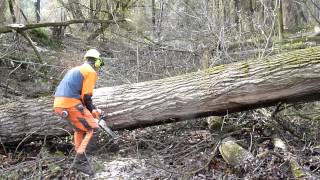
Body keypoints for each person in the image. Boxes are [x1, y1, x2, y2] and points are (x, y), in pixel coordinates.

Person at [53, 49, 104, 175]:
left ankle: (80, 157)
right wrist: (93, 111)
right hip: (70, 104)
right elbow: (86, 97)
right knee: (93, 128)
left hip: (59, 104)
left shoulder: (76, 69)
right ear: (97, 62)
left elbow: (82, 97)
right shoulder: (90, 72)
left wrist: (93, 109)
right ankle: (80, 161)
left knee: (80, 130)